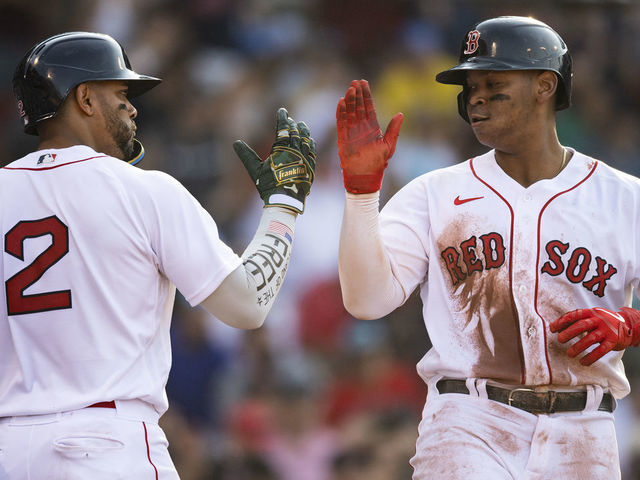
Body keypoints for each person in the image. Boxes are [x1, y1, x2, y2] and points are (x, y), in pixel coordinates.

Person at [335, 16, 640, 479]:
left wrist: (630, 324)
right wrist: (361, 194)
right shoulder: (434, 193)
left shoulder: (623, 197)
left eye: (493, 83)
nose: (475, 97)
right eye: (469, 86)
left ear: (544, 85)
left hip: (585, 431)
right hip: (468, 422)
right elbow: (366, 300)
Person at [0, 32, 316, 479]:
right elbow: (247, 306)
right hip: (107, 445)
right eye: (121, 93)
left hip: (10, 449)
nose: (132, 107)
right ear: (85, 98)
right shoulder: (143, 189)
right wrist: (285, 204)